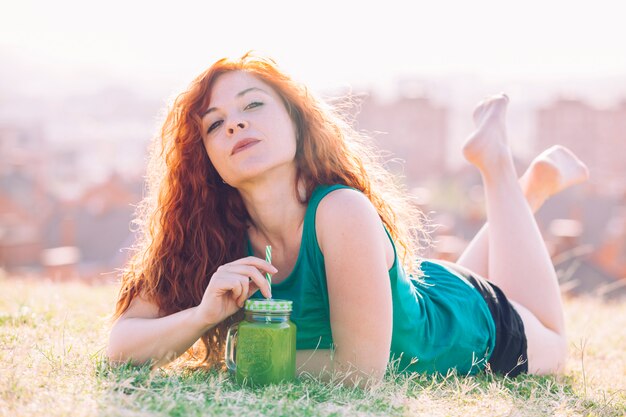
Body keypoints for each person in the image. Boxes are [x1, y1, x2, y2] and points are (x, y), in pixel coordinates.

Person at [107, 52, 589, 388]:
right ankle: (533, 189)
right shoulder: (205, 239)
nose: (234, 123)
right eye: (215, 123)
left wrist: (243, 358)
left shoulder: (341, 211)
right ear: (205, 158)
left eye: (253, 104)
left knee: (556, 345)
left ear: (296, 121)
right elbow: (122, 344)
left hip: (470, 326)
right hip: (418, 292)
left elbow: (361, 373)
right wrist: (202, 316)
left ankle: (501, 170)